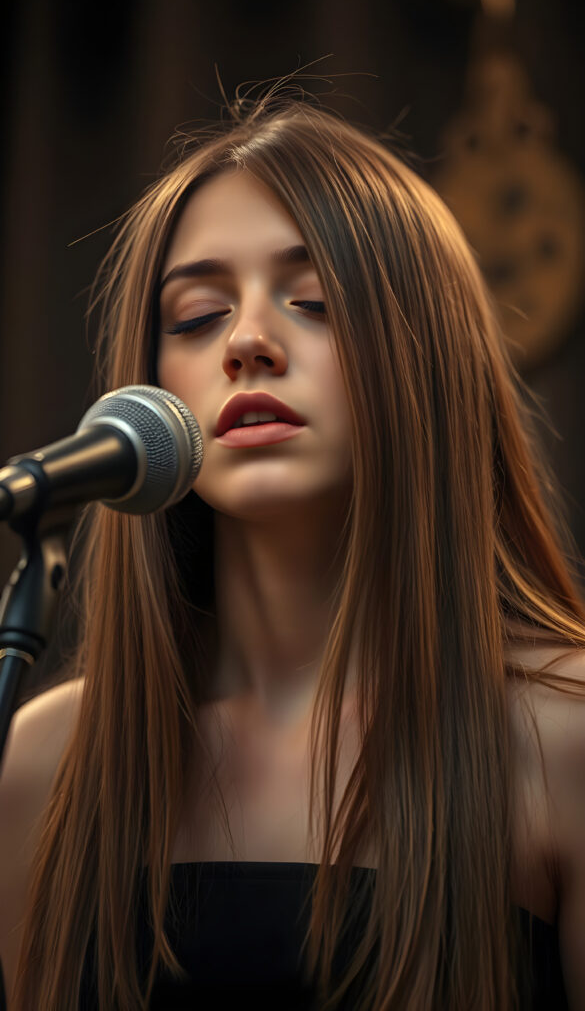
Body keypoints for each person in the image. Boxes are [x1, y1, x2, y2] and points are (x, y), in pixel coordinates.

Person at [1, 89, 585, 1011]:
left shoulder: (564, 738)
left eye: (312, 301)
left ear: (422, 354)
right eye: (194, 317)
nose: (247, 343)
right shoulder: (50, 759)